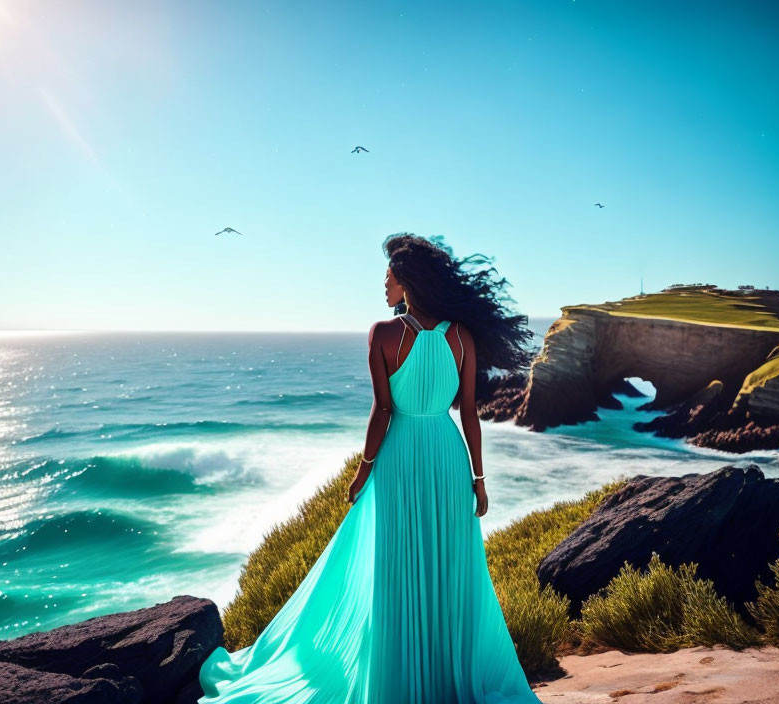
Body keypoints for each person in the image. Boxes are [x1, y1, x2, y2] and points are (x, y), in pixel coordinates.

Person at [198, 233, 541, 703]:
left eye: (387, 276)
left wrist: (363, 471)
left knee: (398, 569)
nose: (383, 285)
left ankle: (398, 681)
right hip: (447, 455)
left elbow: (383, 411)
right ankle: (444, 678)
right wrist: (479, 479)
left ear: (405, 280)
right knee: (448, 571)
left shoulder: (383, 334)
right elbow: (469, 413)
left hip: (400, 458)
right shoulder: (460, 336)